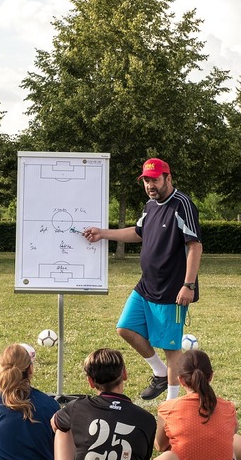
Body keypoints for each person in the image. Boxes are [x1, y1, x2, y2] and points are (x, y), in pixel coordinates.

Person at [82, 157, 202, 400]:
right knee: (125, 328)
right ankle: (159, 372)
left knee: (171, 348)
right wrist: (103, 233)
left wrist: (188, 285)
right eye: (146, 180)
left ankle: (172, 402)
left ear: (168, 178)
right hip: (146, 285)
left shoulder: (182, 204)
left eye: (155, 179)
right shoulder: (150, 205)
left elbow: (195, 246)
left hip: (172, 290)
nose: (150, 185)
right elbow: (138, 232)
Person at [53, 348, 179, 460]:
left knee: (62, 428)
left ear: (90, 381)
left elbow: (54, 422)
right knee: (171, 457)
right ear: (125, 374)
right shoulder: (145, 419)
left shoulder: (77, 408)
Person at [155, 349, 241, 460]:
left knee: (167, 455)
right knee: (230, 444)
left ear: (180, 380)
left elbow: (160, 446)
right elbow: (234, 431)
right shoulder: (228, 407)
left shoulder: (167, 408)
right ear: (211, 376)